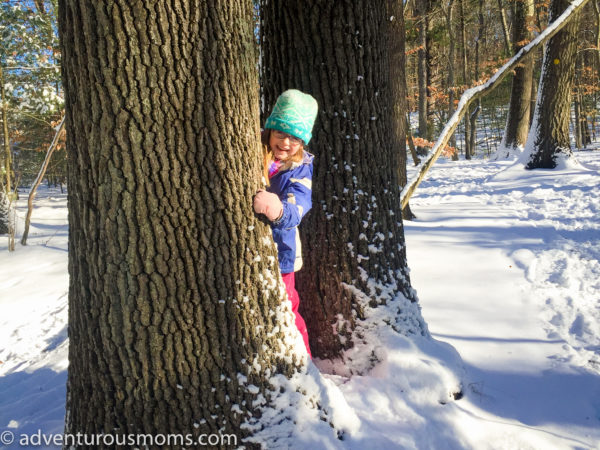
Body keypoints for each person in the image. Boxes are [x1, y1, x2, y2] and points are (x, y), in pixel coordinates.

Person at [253, 89, 318, 357]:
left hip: (283, 254)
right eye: (280, 133)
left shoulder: (300, 167)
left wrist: (278, 210)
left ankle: (305, 360)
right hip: (253, 249)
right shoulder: (255, 150)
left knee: (287, 306)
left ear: (302, 142)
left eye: (294, 137)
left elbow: (300, 206)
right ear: (269, 130)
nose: (286, 142)